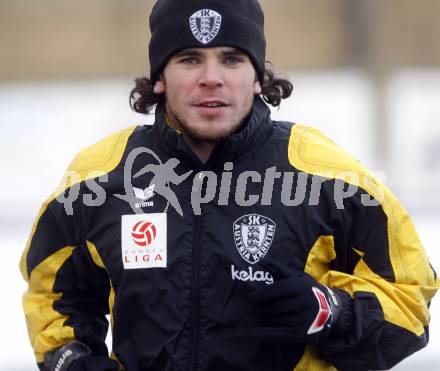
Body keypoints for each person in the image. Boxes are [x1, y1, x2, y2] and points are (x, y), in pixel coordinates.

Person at [20, 0, 439, 370]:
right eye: (188, 59)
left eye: (232, 59)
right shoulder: (97, 179)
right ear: (159, 77)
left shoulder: (331, 178)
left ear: (258, 77)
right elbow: (52, 294)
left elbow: (409, 299)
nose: (211, 78)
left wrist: (331, 312)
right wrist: (70, 360)